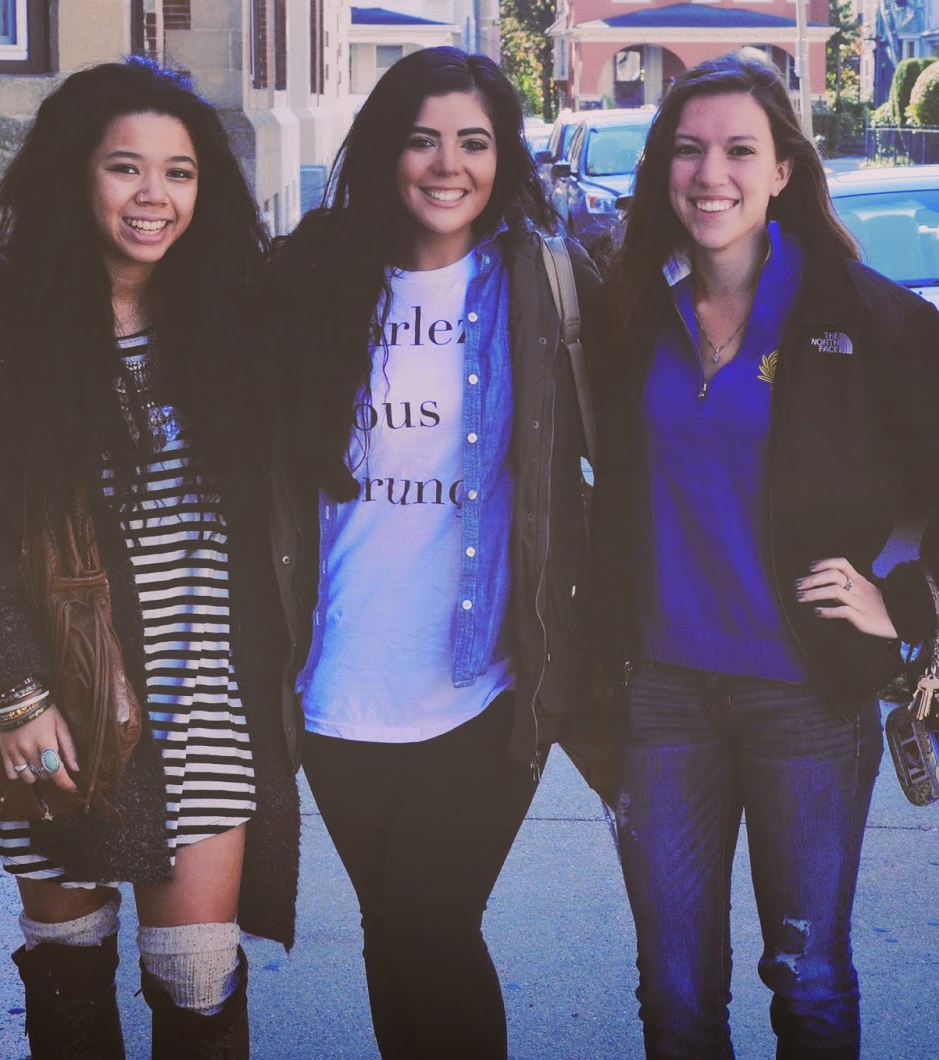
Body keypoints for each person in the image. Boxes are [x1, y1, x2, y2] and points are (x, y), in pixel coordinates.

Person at [588, 51, 939, 1058]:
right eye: (688, 150)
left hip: (806, 696)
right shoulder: (632, 311)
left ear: (783, 170)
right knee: (674, 996)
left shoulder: (855, 313)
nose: (711, 174)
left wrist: (909, 599)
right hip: (660, 696)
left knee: (809, 980)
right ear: (663, 169)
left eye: (739, 151)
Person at [0, 59, 298, 1060]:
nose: (153, 195)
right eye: (126, 167)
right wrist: (15, 693)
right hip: (57, 697)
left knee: (197, 978)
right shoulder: (1, 310)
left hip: (201, 696)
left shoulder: (231, 306)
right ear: (76, 173)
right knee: (71, 969)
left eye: (180, 172)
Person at [260, 47, 602, 1060]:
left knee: (430, 925)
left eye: (473, 142)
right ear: (384, 151)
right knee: (391, 931)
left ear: (504, 158)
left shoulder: (546, 285)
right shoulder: (308, 280)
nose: (448, 165)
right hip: (335, 685)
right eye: (422, 140)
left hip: (484, 685)